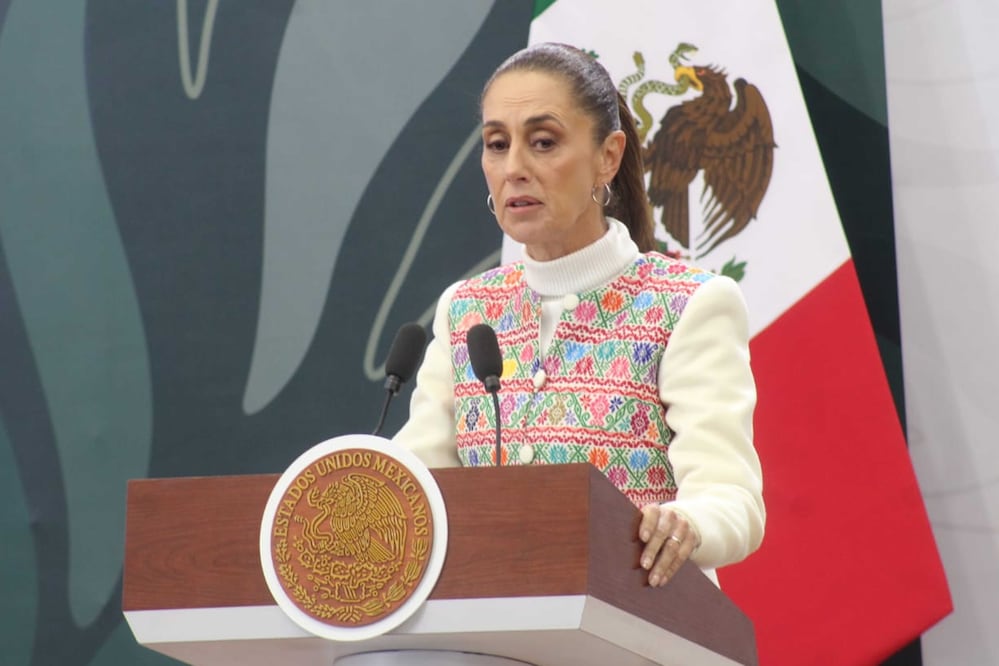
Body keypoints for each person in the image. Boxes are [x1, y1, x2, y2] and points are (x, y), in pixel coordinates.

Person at [393, 42, 764, 588]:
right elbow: (413, 484)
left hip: (636, 622)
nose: (513, 167)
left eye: (542, 142)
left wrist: (684, 524)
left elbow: (732, 499)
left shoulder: (687, 304)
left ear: (607, 157)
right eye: (497, 144)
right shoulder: (467, 310)